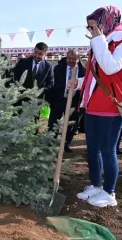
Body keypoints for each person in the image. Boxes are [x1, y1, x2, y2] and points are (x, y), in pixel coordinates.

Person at [76, 6, 122, 207]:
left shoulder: (118, 41)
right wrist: (77, 84)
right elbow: (96, 74)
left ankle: (109, 192)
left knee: (107, 149)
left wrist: (99, 41)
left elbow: (110, 67)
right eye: (90, 27)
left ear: (107, 23)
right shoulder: (101, 42)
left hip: (110, 105)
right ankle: (96, 185)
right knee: (92, 149)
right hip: (93, 104)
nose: (92, 31)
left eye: (95, 26)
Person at [47, 50, 86, 153]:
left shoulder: (83, 70)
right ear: (66, 57)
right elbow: (52, 85)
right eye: (69, 58)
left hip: (74, 101)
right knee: (54, 122)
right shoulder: (58, 68)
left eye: (74, 59)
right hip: (59, 100)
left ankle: (66, 143)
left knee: (72, 124)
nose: (71, 61)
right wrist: (51, 100)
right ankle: (50, 142)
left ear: (78, 59)